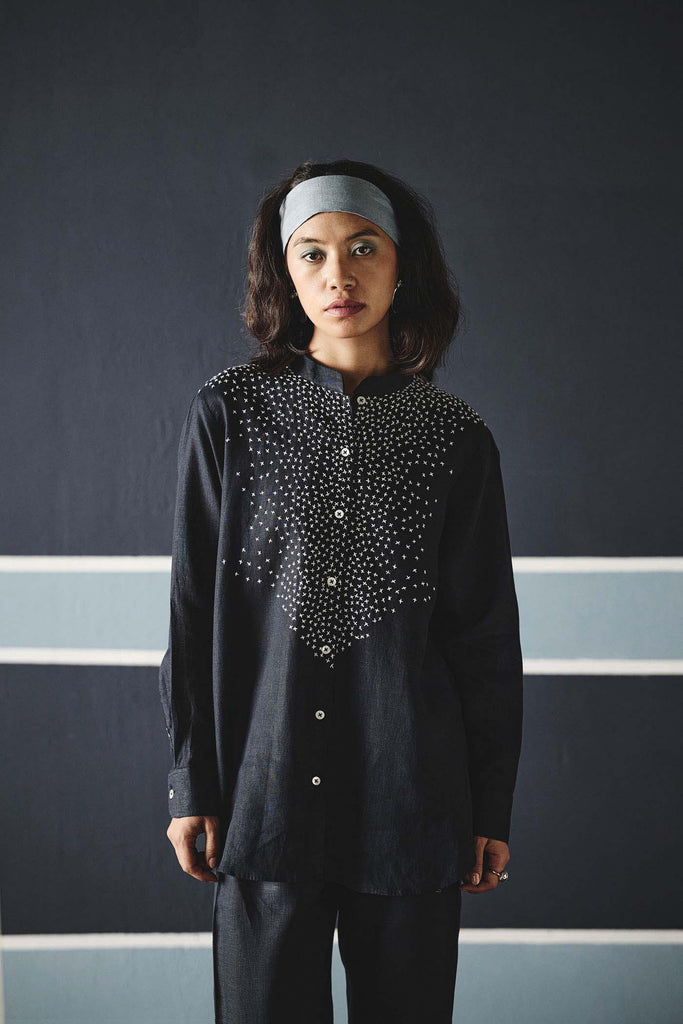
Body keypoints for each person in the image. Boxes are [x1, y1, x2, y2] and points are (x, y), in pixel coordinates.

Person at [159, 158, 523, 1023]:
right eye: (312, 253)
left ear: (402, 264)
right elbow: (193, 610)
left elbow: (481, 637)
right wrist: (191, 783)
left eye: (363, 248)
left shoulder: (455, 439)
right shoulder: (229, 416)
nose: (338, 276)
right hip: (265, 797)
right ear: (285, 273)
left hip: (412, 801)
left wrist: (488, 804)